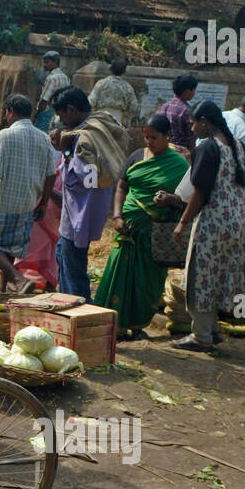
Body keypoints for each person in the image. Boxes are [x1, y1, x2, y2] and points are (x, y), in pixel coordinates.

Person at [169, 100, 245, 351]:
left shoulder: (208, 148)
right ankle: (213, 329)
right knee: (222, 275)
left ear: (205, 121)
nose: (192, 128)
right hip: (238, 225)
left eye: (193, 123)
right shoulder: (238, 147)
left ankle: (201, 336)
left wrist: (183, 223)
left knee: (201, 276)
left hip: (212, 224)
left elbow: (199, 192)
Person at [94, 115, 190, 338]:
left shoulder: (179, 164)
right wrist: (116, 216)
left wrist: (170, 199)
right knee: (117, 274)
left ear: (167, 137)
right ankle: (114, 325)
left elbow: (188, 199)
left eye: (154, 137)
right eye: (146, 137)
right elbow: (121, 188)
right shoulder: (137, 157)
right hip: (127, 230)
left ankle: (137, 326)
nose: (148, 141)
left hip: (155, 235)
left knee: (147, 280)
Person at [0, 94, 57, 294]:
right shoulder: (43, 138)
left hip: (4, 202)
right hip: (28, 202)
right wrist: (43, 203)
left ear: (10, 112)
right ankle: (3, 286)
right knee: (9, 246)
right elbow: (51, 175)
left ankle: (18, 279)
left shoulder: (5, 135)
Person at [50, 87, 126, 302]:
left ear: (72, 110)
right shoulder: (102, 123)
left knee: (72, 267)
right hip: (91, 208)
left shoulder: (82, 138)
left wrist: (64, 151)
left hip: (79, 212)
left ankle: (79, 309)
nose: (62, 121)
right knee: (65, 258)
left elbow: (88, 179)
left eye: (63, 115)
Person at [14, 150, 64, 291]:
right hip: (39, 210)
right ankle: (25, 281)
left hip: (51, 212)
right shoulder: (46, 156)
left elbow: (62, 195)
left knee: (50, 249)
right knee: (32, 246)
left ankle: (49, 283)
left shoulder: (65, 160)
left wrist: (46, 191)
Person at [88, 58, 140, 130]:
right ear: (124, 71)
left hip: (100, 119)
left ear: (110, 69)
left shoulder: (101, 83)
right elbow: (134, 107)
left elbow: (91, 102)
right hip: (118, 121)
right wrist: (126, 118)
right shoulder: (127, 87)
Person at [155, 73, 198, 152]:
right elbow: (191, 140)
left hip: (161, 152)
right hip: (180, 154)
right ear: (188, 91)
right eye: (194, 90)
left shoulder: (163, 107)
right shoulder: (187, 111)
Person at [35, 50, 70, 131]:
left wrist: (38, 113)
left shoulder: (51, 78)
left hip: (48, 113)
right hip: (61, 113)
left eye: (47, 62)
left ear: (55, 62)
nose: (45, 65)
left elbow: (44, 100)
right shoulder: (65, 77)